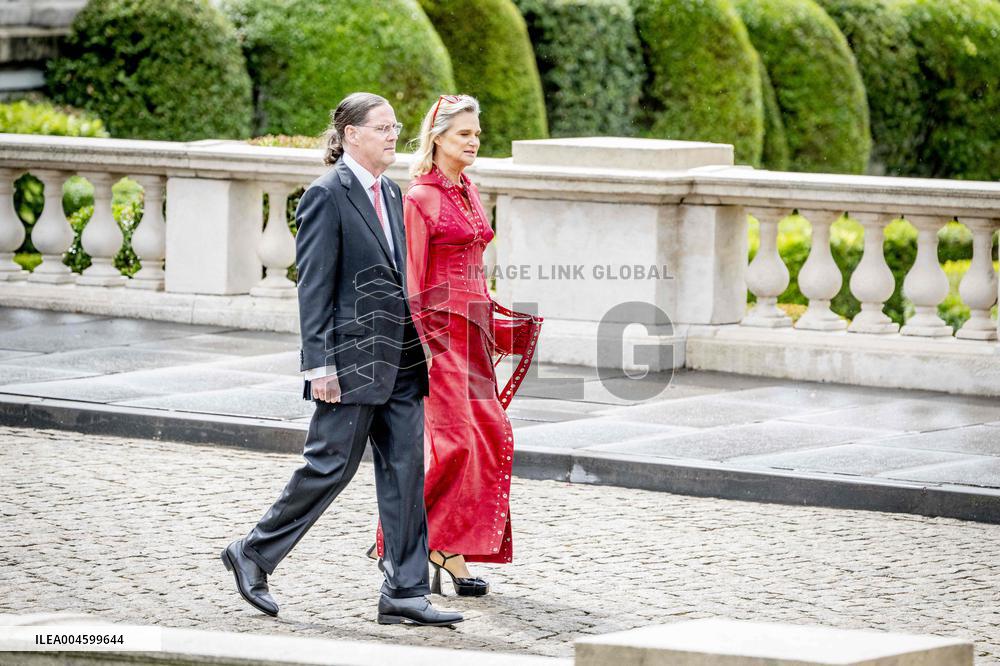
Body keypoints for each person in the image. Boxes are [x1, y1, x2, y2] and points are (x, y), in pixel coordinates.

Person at [221, 92, 462, 627]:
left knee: (404, 471)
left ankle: (404, 589)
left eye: (395, 126)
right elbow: (315, 287)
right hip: (349, 362)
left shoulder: (392, 190)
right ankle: (253, 553)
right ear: (351, 134)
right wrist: (319, 365)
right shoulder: (326, 195)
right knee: (330, 466)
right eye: (382, 127)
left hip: (401, 359)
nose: (393, 134)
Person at [394, 94, 516, 595]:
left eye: (477, 133)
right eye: (464, 133)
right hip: (437, 340)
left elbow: (475, 266)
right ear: (438, 136)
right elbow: (411, 280)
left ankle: (444, 545)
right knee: (453, 444)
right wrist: (418, 346)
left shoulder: (469, 188)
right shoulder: (419, 198)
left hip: (472, 335)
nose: (474, 141)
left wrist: (493, 320)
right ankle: (415, 545)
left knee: (490, 436)